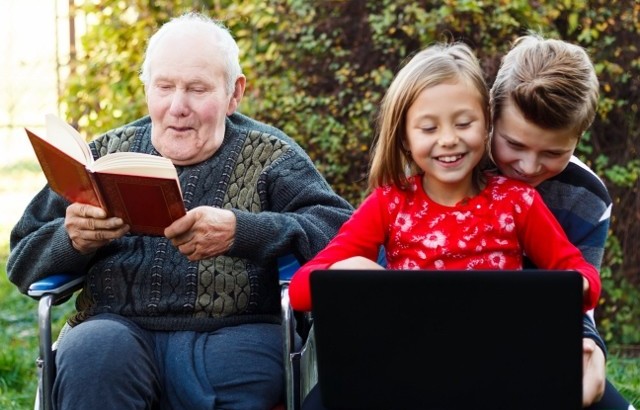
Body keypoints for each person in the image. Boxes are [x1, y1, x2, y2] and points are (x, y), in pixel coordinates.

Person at [7, 12, 353, 410]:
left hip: (235, 334)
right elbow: (22, 261)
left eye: (197, 89)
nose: (177, 106)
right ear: (147, 89)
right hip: (115, 329)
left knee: (241, 366)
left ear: (233, 93)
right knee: (92, 353)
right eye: (165, 86)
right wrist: (71, 240)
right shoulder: (104, 156)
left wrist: (243, 232)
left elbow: (341, 232)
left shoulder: (271, 157)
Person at [287, 41, 602, 409]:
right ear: (405, 137)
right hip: (406, 364)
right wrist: (359, 277)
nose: (449, 139)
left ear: (486, 125)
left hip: (498, 365)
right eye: (428, 128)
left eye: (464, 123)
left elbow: (579, 273)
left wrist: (569, 290)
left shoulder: (518, 202)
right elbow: (300, 290)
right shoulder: (389, 204)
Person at [490, 34, 635, 410]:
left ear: (578, 138)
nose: (529, 167)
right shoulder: (448, 171)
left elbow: (577, 296)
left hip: (539, 348)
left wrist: (592, 346)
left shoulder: (587, 198)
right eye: (514, 144)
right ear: (491, 116)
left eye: (554, 152)